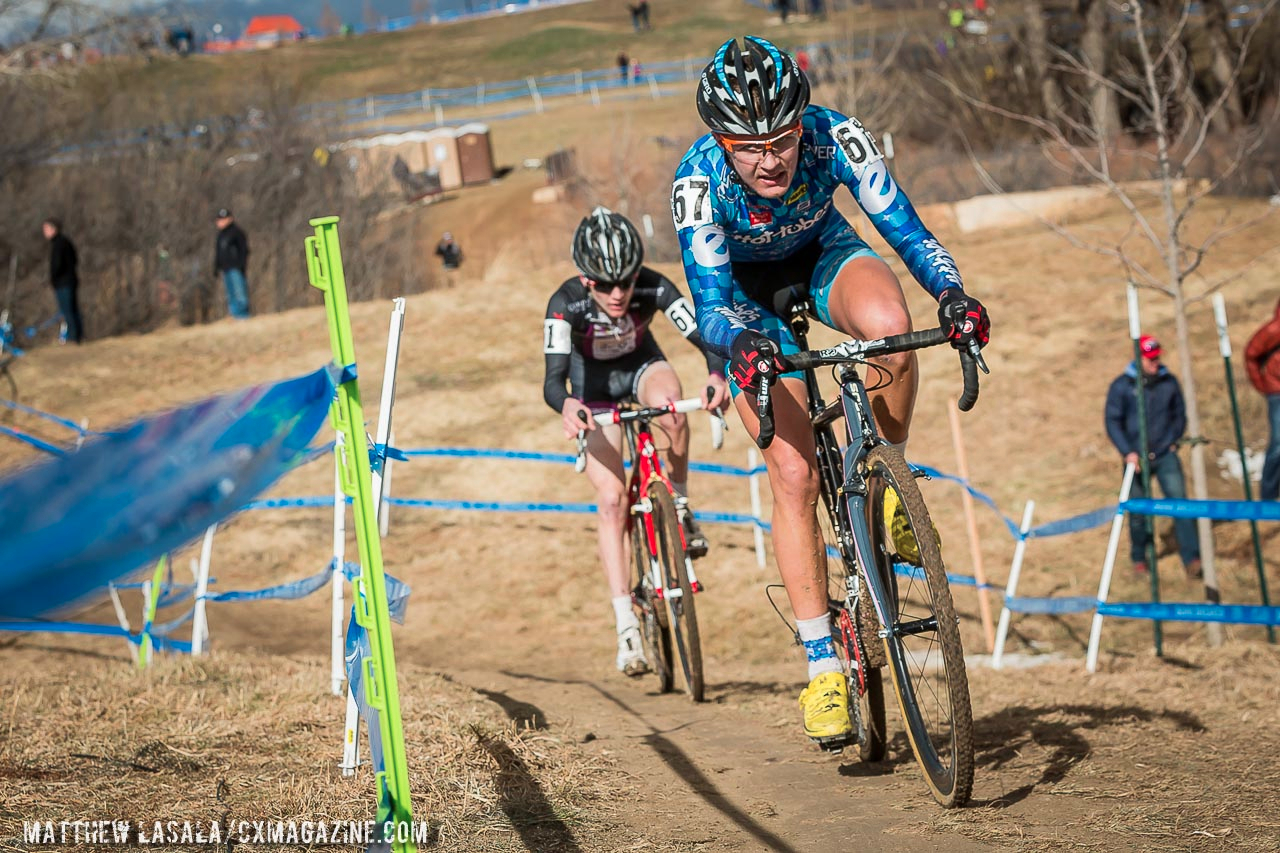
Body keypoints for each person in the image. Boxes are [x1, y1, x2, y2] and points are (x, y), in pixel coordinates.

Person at [670, 36, 990, 748]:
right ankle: (820, 664)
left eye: (782, 139)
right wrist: (739, 348)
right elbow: (712, 300)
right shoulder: (697, 184)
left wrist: (954, 293)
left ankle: (887, 477)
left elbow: (905, 229)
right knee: (793, 472)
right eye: (748, 146)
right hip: (745, 303)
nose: (770, 158)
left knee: (891, 325)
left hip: (825, 255)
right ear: (721, 141)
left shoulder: (836, 138)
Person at [543, 207, 730, 676]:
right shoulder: (564, 304)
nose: (619, 293)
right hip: (592, 390)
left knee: (672, 405)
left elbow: (703, 335)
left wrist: (714, 373)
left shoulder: (654, 286)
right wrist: (567, 406)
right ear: (586, 281)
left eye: (625, 281)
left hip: (643, 369)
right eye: (605, 285)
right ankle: (626, 623)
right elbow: (553, 381)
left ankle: (680, 506)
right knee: (610, 501)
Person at [1104, 334, 1202, 578]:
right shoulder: (1122, 386)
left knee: (1180, 505)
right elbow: (1113, 421)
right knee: (1138, 512)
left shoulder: (1169, 382)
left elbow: (1179, 415)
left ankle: (1192, 558)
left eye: (1157, 358)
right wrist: (1128, 452)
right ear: (1138, 359)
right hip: (1134, 460)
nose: (1155, 363)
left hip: (1165, 454)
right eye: (1150, 359)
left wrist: (1172, 441)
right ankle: (1140, 559)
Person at [1245, 296, 1280, 501]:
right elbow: (1251, 353)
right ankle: (1268, 496)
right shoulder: (1274, 330)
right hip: (1277, 392)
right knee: (1278, 445)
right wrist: (1262, 384)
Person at [42, 218, 83, 344]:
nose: (44, 232)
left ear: (54, 229)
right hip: (70, 280)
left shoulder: (59, 244)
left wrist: (54, 277)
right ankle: (77, 336)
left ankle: (73, 338)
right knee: (72, 309)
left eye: (46, 229)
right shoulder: (65, 242)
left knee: (67, 311)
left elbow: (57, 265)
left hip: (64, 283)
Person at [213, 208, 250, 319]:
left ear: (230, 219)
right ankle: (234, 315)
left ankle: (243, 316)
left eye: (223, 219)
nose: (221, 222)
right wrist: (216, 267)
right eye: (219, 219)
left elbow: (244, 250)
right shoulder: (221, 235)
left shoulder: (237, 232)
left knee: (239, 293)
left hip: (236, 268)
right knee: (230, 294)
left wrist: (241, 265)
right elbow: (218, 252)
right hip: (225, 269)